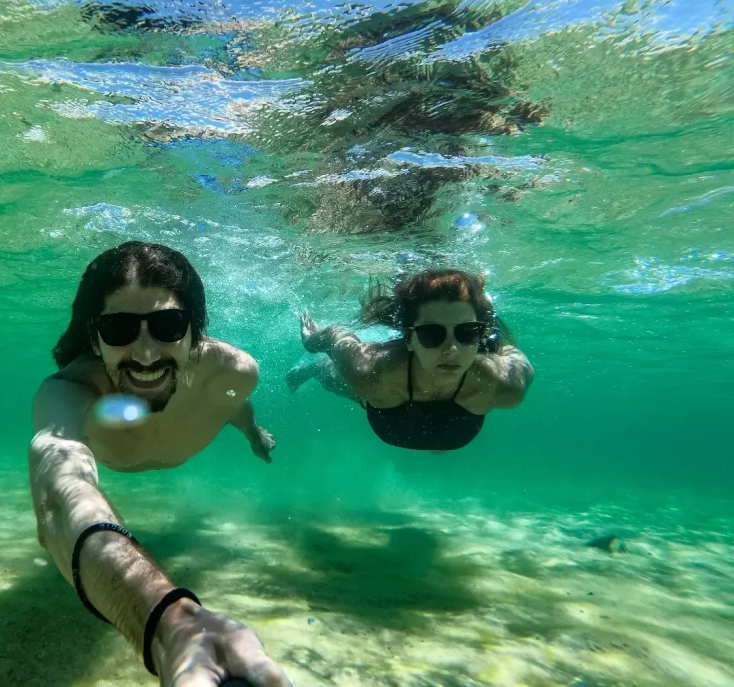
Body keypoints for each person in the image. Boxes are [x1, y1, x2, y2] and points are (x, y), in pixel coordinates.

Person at [28, 241, 288, 687]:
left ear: (194, 331)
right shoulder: (68, 392)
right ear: (93, 337)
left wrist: (251, 433)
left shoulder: (235, 372)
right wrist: (171, 625)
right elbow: (56, 492)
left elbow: (231, 404)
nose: (146, 354)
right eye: (119, 329)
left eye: (168, 325)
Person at [290, 269, 533, 451]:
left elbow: (514, 356)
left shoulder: (505, 384)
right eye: (431, 334)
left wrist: (491, 334)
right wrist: (310, 341)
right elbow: (335, 337)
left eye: (467, 332)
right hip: (389, 405)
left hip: (447, 427)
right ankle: (310, 370)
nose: (451, 348)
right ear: (408, 339)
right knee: (334, 379)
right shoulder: (371, 372)